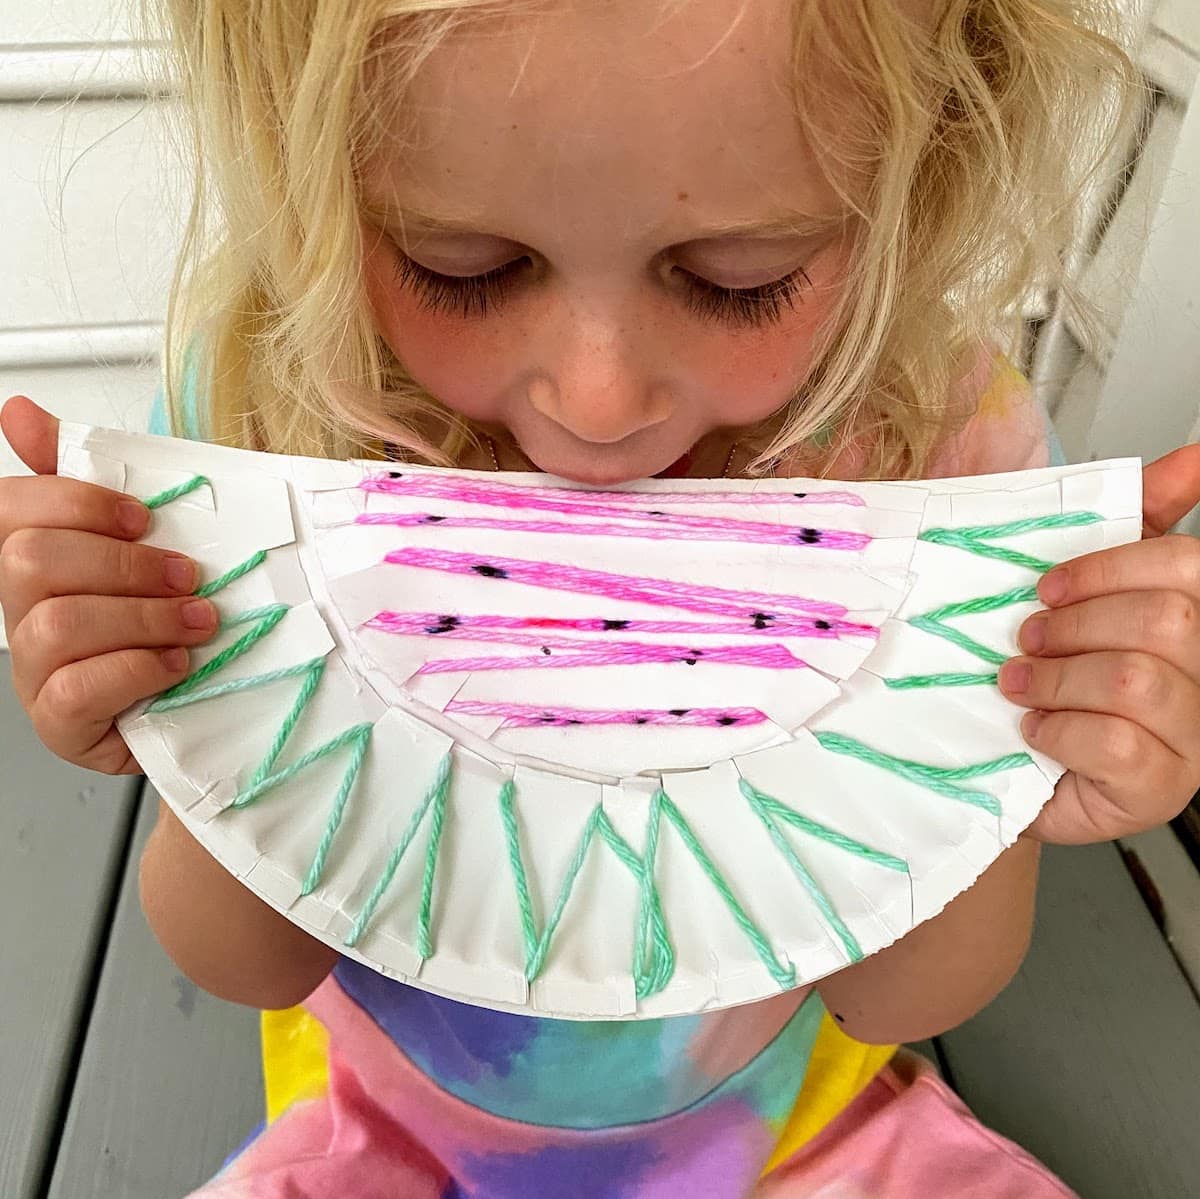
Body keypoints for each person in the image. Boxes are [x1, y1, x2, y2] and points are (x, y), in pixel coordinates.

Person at [2, 1, 1199, 1195]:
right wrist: (187, 721)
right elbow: (243, 959)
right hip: (385, 1134)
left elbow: (898, 997)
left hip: (804, 1130)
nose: (598, 401)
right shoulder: (261, 409)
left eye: (743, 281)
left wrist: (1014, 766)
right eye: (461, 268)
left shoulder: (945, 445)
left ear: (925, 158)